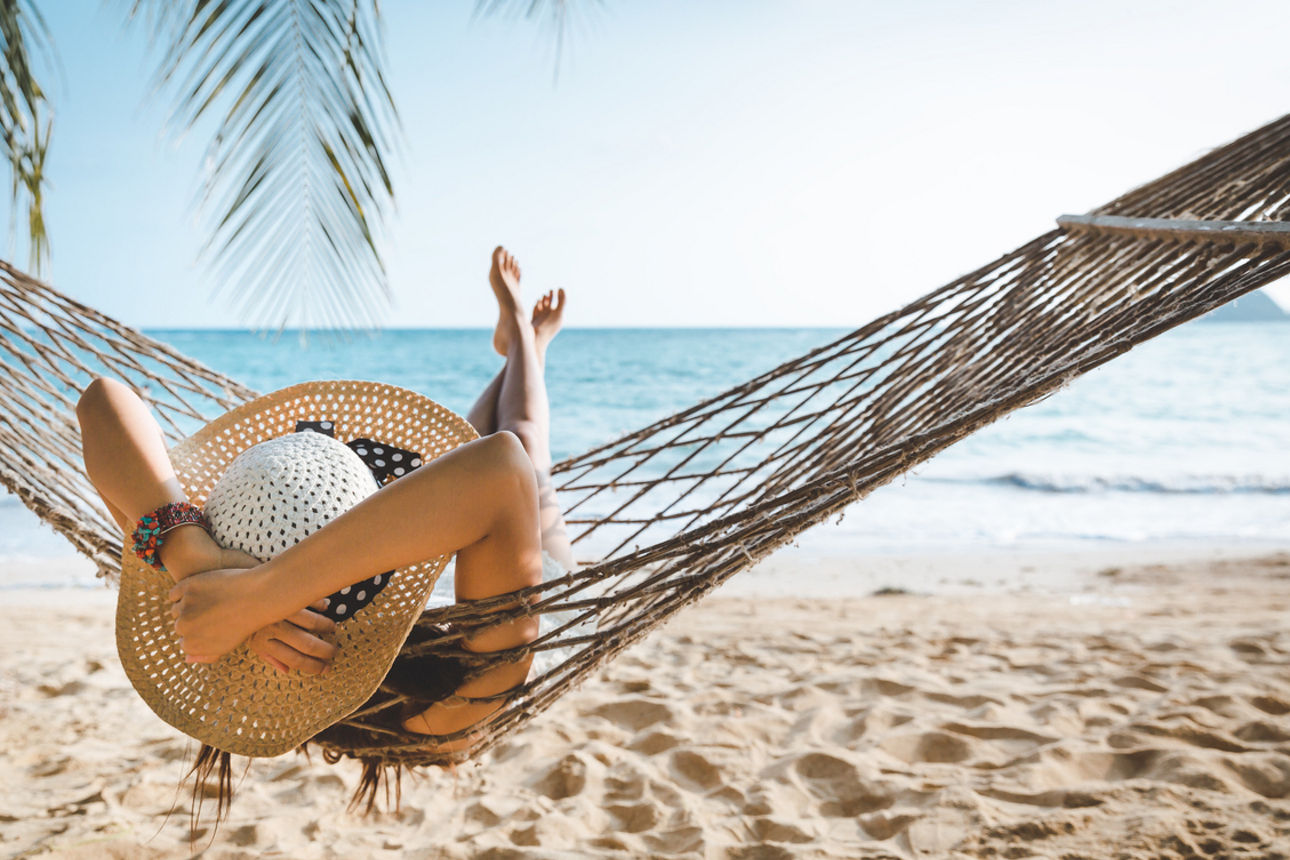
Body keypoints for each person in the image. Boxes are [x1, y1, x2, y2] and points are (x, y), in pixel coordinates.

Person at [76, 245, 569, 742]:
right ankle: (528, 341)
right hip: (516, 576)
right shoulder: (450, 700)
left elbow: (100, 402)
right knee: (526, 438)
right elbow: (505, 467)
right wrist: (255, 598)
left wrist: (198, 563)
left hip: (423, 532)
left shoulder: (198, 608)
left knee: (483, 441)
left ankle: (522, 342)